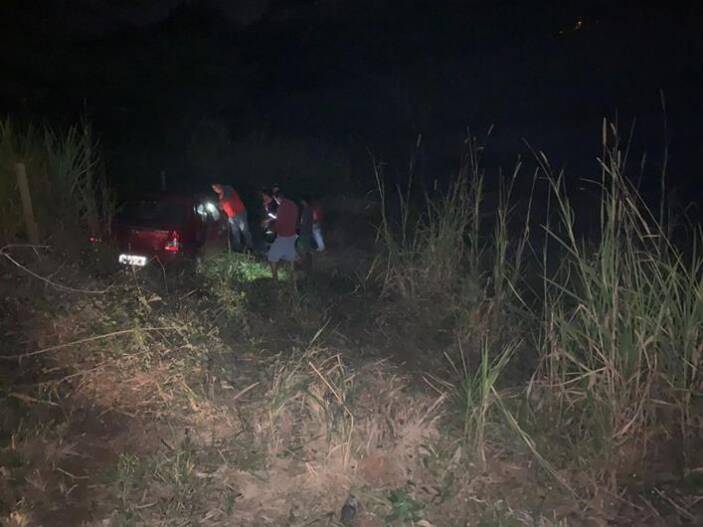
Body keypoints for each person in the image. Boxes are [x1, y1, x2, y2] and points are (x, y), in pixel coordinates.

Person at [267, 188, 299, 281]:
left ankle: (275, 279)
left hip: (283, 236)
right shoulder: (293, 204)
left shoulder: (281, 207)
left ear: (277, 198)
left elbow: (279, 224)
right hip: (293, 235)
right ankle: (294, 282)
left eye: (275, 199)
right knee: (292, 257)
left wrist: (271, 229)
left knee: (272, 256)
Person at [212, 183, 253, 252]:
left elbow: (226, 198)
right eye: (213, 188)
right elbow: (222, 207)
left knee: (244, 230)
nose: (215, 190)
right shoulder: (220, 196)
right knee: (235, 232)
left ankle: (250, 247)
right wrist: (221, 206)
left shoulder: (228, 188)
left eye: (215, 187)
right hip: (231, 216)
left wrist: (220, 203)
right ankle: (237, 247)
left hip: (239, 213)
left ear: (219, 185)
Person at [297, 196, 314, 270]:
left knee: (304, 249)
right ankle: (308, 265)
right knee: (306, 249)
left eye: (302, 201)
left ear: (304, 201)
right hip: (308, 231)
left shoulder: (306, 210)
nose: (301, 202)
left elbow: (304, 223)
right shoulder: (309, 209)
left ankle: (306, 265)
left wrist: (297, 226)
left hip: (305, 232)